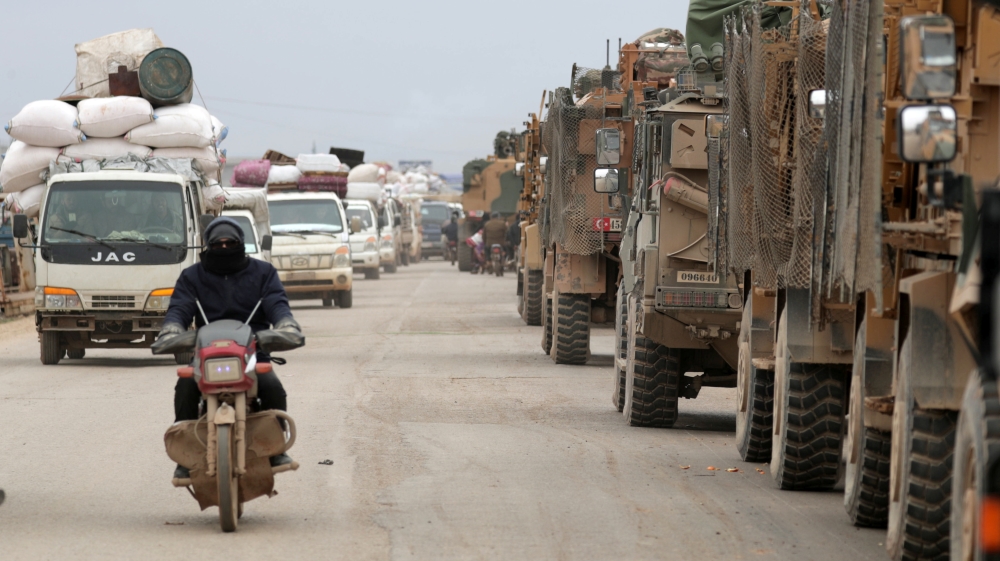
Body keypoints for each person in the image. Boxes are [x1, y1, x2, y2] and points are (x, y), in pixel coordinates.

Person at [157, 217, 302, 479]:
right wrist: (172, 329)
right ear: (207, 246)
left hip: (253, 352)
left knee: (272, 388)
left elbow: (277, 303)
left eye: (230, 243)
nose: (224, 248)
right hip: (206, 355)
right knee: (186, 388)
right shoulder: (191, 276)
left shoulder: (263, 272)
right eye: (218, 244)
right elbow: (179, 309)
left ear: (241, 244)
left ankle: (276, 448)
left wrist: (285, 324)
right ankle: (186, 457)